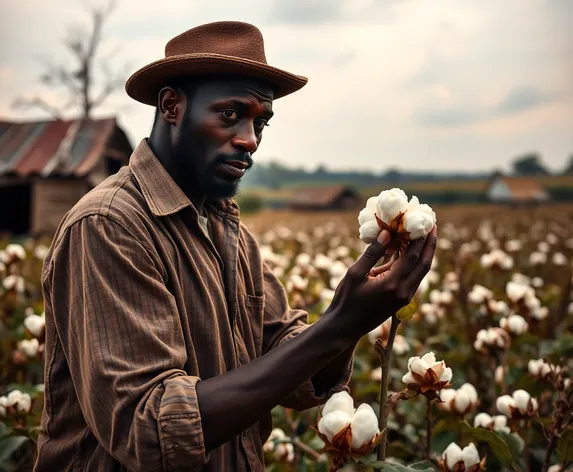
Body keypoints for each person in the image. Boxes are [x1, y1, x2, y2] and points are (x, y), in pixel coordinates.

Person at [34, 21, 437, 472]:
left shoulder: (231, 234)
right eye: (230, 114)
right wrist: (341, 324)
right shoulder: (108, 225)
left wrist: (355, 318)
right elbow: (148, 430)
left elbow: (292, 369)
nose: (250, 139)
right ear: (172, 106)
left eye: (260, 122)